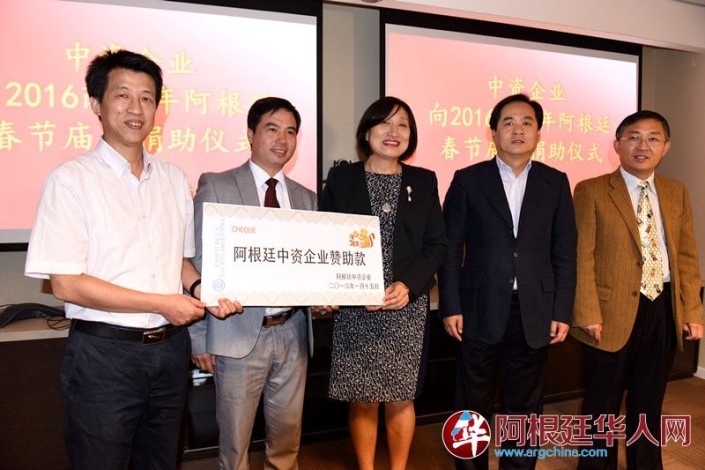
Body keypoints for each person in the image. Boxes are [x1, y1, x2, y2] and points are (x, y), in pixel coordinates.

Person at [24, 49, 239, 470]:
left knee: (161, 462)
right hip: (104, 356)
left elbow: (179, 263)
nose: (136, 108)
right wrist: (161, 303)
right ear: (96, 104)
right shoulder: (70, 181)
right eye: (122, 95)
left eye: (147, 97)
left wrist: (203, 289)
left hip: (170, 353)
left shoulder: (173, 178)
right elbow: (66, 283)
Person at [438, 93, 577, 469]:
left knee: (526, 408)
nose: (518, 129)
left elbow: (565, 253)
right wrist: (450, 305)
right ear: (493, 132)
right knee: (472, 406)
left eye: (527, 122)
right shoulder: (468, 180)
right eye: (509, 122)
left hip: (535, 311)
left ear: (538, 133)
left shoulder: (555, 182)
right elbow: (449, 250)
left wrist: (561, 310)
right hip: (478, 309)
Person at [188, 97, 316, 470]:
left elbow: (311, 267)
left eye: (290, 131)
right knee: (235, 443)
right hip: (236, 333)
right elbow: (196, 262)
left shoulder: (307, 198)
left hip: (293, 332)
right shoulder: (217, 185)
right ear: (250, 133)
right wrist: (199, 337)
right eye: (272, 128)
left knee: (287, 438)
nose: (282, 139)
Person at [320, 96, 447, 470]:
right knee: (362, 397)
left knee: (401, 396)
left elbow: (437, 245)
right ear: (367, 132)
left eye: (403, 124)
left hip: (404, 305)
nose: (394, 132)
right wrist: (343, 291)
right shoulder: (342, 178)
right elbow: (325, 238)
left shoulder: (423, 181)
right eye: (385, 123)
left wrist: (407, 286)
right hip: (355, 306)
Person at [571, 110, 703, 469]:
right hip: (607, 313)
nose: (642, 146)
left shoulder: (676, 191)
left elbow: (687, 256)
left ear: (666, 147)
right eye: (633, 137)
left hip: (662, 308)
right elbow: (582, 256)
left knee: (649, 403)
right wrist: (587, 312)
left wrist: (693, 311)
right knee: (601, 405)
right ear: (617, 144)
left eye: (653, 138)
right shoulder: (592, 190)